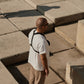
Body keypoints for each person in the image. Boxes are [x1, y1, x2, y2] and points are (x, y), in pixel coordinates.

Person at [28, 17, 50, 84]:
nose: (47, 25)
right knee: (38, 81)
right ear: (43, 27)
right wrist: (46, 68)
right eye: (47, 24)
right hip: (39, 66)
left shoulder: (32, 32)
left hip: (32, 61)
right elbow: (43, 57)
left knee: (32, 79)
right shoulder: (41, 41)